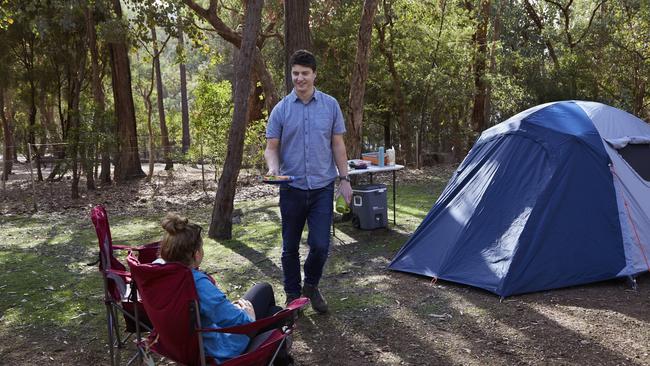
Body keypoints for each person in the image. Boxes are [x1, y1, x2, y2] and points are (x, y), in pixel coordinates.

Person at [265, 49, 353, 314]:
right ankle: (293, 294)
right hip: (291, 188)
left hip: (322, 189)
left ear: (314, 74)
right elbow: (271, 147)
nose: (299, 79)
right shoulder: (281, 109)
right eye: (295, 74)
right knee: (289, 247)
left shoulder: (331, 106)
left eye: (304, 73)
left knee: (320, 245)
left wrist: (345, 179)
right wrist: (273, 169)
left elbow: (338, 145)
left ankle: (311, 286)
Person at [158, 213, 286, 364]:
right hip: (216, 349)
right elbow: (239, 323)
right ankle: (270, 359)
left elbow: (215, 310)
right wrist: (247, 315)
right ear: (196, 254)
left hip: (180, 345)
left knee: (273, 311)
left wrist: (231, 309)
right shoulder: (195, 283)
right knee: (267, 296)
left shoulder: (157, 271)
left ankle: (278, 357)